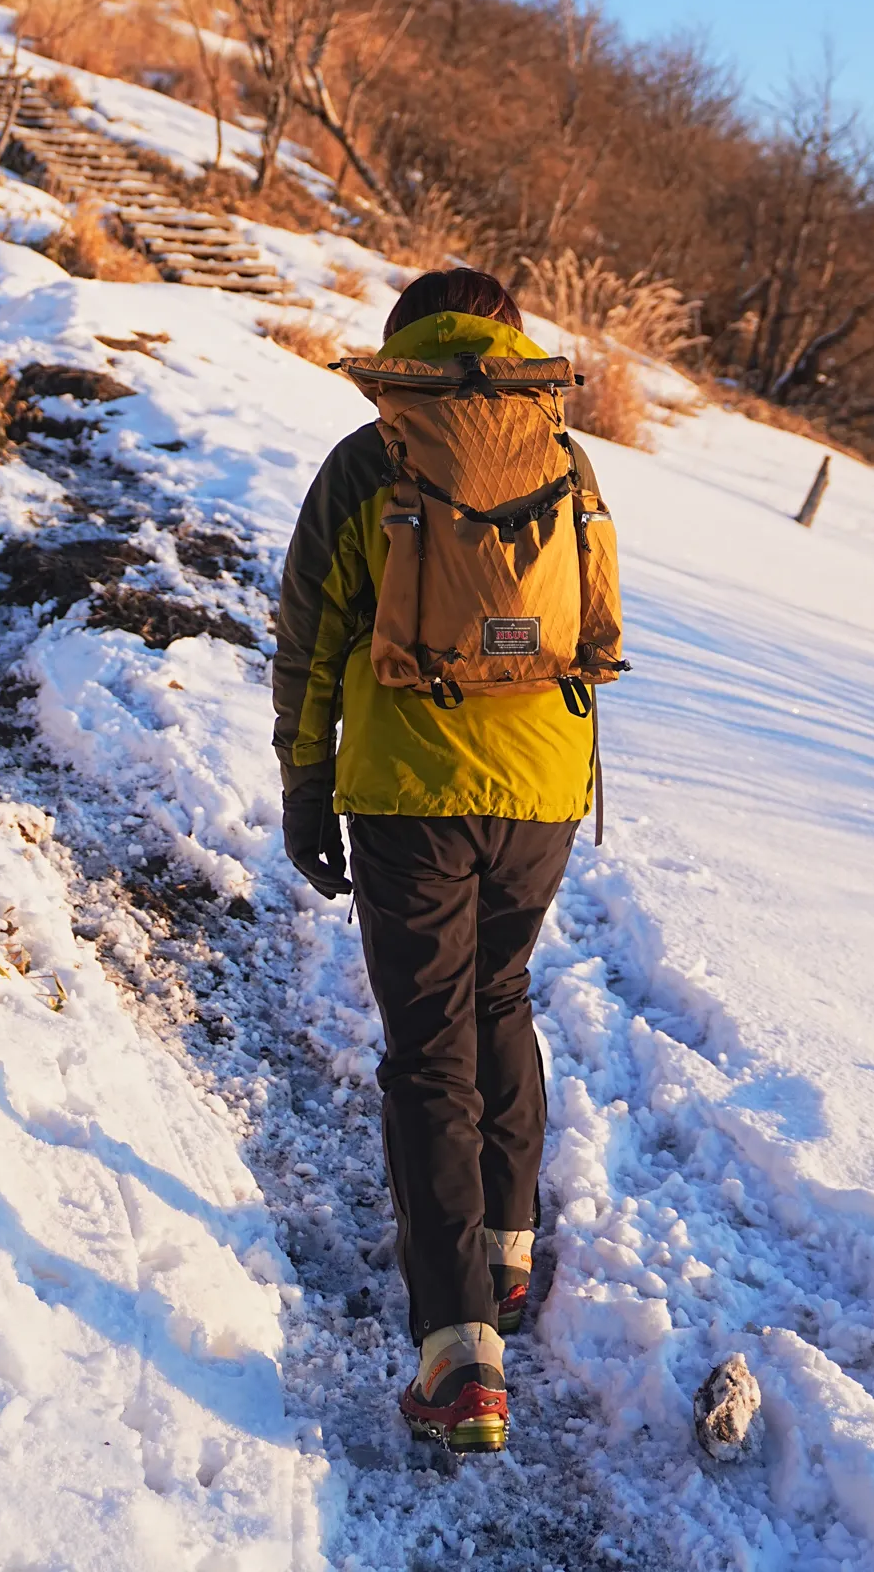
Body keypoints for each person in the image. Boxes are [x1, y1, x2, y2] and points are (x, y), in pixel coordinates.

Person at [272, 263, 622, 1455]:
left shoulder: (372, 460)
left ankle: (457, 1350)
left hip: (411, 796)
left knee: (427, 1050)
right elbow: (597, 627)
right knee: (501, 997)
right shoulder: (565, 458)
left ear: (404, 347)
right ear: (509, 341)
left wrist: (306, 786)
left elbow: (311, 640)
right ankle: (508, 1252)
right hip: (540, 794)